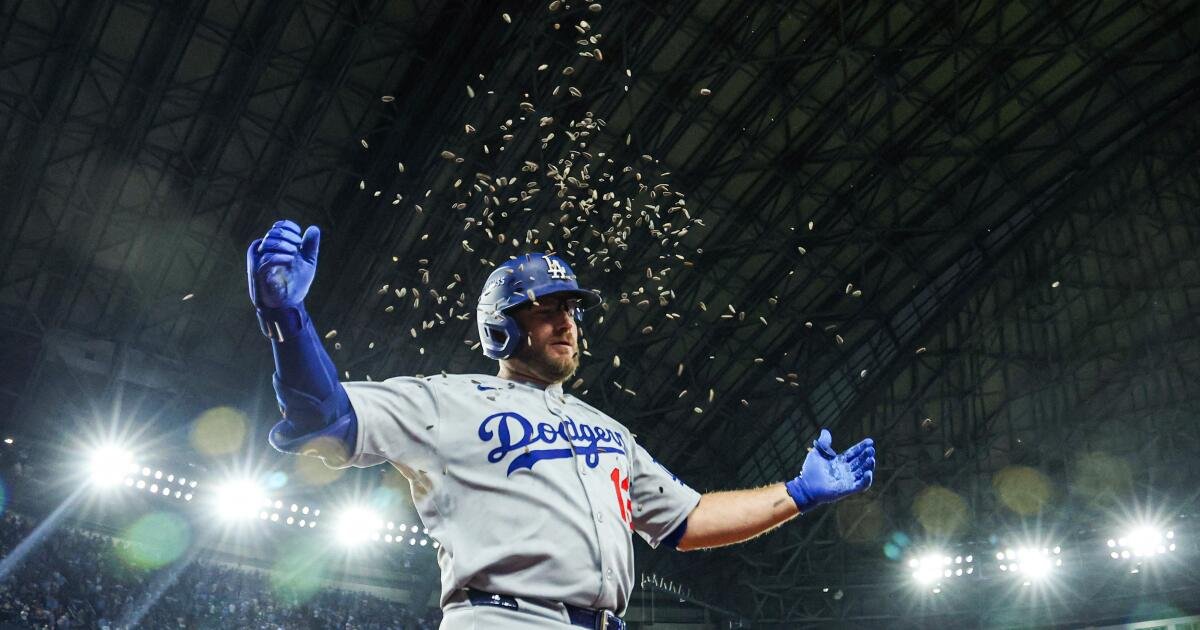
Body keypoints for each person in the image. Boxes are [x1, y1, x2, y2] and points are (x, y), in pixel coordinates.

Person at [247, 220, 877, 629]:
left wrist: (798, 493)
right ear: (501, 326)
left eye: (571, 308)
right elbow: (325, 416)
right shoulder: (446, 399)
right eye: (545, 309)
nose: (567, 322)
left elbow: (687, 521)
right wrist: (287, 319)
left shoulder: (609, 431)